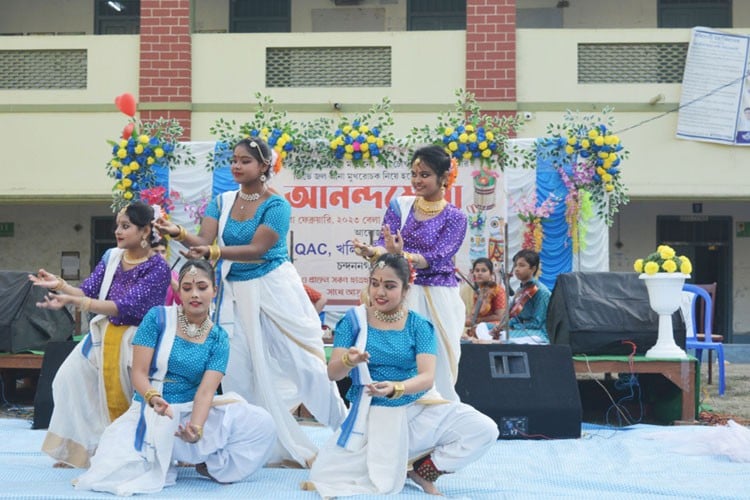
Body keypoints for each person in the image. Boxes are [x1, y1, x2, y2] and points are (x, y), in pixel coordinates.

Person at [155, 137, 346, 467]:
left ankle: (351, 436)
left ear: (263, 167)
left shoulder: (276, 205)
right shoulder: (223, 200)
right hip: (234, 294)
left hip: (275, 289)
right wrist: (178, 232)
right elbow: (203, 240)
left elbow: (258, 248)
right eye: (234, 159)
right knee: (239, 371)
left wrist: (213, 252)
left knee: (306, 366)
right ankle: (260, 444)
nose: (236, 165)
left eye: (245, 161)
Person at [74, 260, 277, 495]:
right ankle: (167, 453)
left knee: (261, 423)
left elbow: (206, 392)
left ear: (215, 290)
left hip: (188, 413)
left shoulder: (219, 337)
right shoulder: (158, 318)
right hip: (149, 411)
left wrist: (196, 430)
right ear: (178, 291)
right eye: (187, 288)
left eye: (202, 287)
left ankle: (206, 463)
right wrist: (152, 398)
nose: (195, 294)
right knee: (114, 474)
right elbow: (138, 373)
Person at [305, 254, 498, 497]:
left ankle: (425, 471)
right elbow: (333, 373)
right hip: (373, 416)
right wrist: (348, 361)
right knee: (327, 474)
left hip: (417, 406)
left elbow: (427, 377)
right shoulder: (353, 322)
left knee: (484, 429)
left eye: (389, 286)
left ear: (406, 289)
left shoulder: (419, 325)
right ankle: (392, 459)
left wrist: (397, 388)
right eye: (374, 283)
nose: (379, 292)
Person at [29, 201, 171, 468]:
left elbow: (126, 306)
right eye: (117, 225)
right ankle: (81, 451)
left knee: (128, 397)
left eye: (126, 226)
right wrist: (60, 286)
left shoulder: (157, 268)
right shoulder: (112, 257)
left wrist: (78, 304)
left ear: (144, 231)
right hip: (103, 334)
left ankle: (125, 451)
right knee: (67, 380)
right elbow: (88, 291)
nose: (118, 231)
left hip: (137, 340)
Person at [352, 145, 467, 402]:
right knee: (398, 354)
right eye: (414, 174)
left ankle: (439, 414)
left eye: (424, 174)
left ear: (444, 177)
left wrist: (403, 255)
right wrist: (371, 251)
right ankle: (395, 406)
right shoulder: (400, 205)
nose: (417, 180)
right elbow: (388, 245)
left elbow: (439, 257)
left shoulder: (455, 217)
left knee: (439, 361)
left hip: (438, 295)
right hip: (401, 291)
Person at [491, 249, 551, 344]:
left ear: (533, 268)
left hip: (537, 333)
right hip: (521, 330)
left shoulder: (541, 291)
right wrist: (502, 326)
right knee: (482, 327)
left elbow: (537, 323)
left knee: (503, 337)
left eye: (522, 265)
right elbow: (516, 317)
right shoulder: (521, 290)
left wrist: (512, 328)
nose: (517, 269)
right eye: (515, 265)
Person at [463, 257, 507, 340]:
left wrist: (479, 320)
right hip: (479, 326)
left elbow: (500, 316)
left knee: (480, 328)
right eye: (477, 270)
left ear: (491, 274)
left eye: (483, 270)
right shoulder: (475, 291)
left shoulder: (498, 290)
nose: (479, 273)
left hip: (494, 326)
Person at [152, 238, 181, 305]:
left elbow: (181, 300)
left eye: (163, 252)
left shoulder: (174, 275)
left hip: (163, 314)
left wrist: (170, 278)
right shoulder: (140, 271)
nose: (160, 256)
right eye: (156, 251)